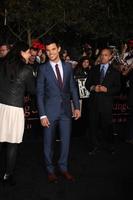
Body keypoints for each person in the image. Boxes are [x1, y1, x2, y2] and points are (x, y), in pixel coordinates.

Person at [36, 36, 81, 183]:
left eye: (53, 49)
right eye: (47, 50)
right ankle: (50, 170)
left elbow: (73, 88)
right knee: (48, 143)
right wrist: (42, 115)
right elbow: (40, 93)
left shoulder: (68, 67)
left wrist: (77, 107)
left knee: (66, 142)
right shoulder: (42, 68)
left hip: (66, 111)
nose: (50, 53)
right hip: (49, 112)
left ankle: (63, 168)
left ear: (59, 49)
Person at [0, 42, 35, 186]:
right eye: (28, 52)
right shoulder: (26, 69)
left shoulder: (2, 64)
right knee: (12, 144)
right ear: (21, 52)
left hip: (0, 106)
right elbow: (33, 90)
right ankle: (8, 175)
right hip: (14, 109)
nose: (30, 54)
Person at [85, 48, 121, 155]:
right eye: (101, 55)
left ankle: (110, 146)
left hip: (106, 104)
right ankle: (95, 146)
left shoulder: (115, 72)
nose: (103, 57)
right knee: (93, 126)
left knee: (107, 126)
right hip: (94, 103)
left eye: (105, 55)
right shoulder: (94, 69)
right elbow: (87, 84)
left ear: (110, 57)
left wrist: (107, 90)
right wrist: (93, 88)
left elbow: (118, 88)